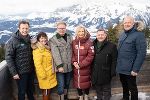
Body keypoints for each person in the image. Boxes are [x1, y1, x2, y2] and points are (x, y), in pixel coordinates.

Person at [116, 16, 147, 100]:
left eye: (129, 22)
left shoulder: (139, 35)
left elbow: (141, 53)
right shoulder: (123, 34)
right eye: (125, 22)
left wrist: (135, 69)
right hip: (121, 67)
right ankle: (125, 98)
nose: (127, 24)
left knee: (132, 88)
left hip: (131, 69)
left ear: (133, 23)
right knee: (124, 86)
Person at [5, 20, 35, 100]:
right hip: (20, 72)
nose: (25, 30)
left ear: (29, 28)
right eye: (23, 28)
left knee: (30, 91)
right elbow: (8, 57)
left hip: (30, 70)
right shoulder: (13, 41)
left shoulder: (30, 39)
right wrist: (14, 73)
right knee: (22, 91)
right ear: (19, 28)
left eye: (26, 28)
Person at [49, 21, 73, 100]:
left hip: (69, 66)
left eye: (63, 28)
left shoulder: (70, 37)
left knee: (67, 83)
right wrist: (59, 66)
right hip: (61, 67)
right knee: (61, 84)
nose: (62, 30)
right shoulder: (53, 40)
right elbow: (55, 54)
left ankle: (65, 97)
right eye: (60, 28)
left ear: (66, 28)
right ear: (57, 29)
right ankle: (61, 98)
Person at [91, 29, 117, 100]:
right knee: (98, 90)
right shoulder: (92, 44)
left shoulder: (112, 46)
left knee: (106, 91)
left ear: (105, 35)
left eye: (102, 34)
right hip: (95, 72)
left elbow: (114, 60)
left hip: (106, 72)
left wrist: (112, 72)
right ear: (96, 36)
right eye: (98, 35)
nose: (100, 36)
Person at [31, 32, 57, 100]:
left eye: (45, 38)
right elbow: (37, 64)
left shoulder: (46, 47)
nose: (44, 40)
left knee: (47, 90)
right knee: (46, 91)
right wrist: (42, 74)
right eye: (41, 39)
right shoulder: (37, 49)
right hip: (44, 74)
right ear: (38, 40)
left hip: (49, 73)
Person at [72, 26, 94, 100]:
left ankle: (86, 95)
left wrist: (81, 64)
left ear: (85, 32)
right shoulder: (74, 42)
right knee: (77, 81)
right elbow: (72, 54)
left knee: (86, 82)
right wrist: (74, 62)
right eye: (79, 31)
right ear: (77, 33)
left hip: (85, 67)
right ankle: (80, 96)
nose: (81, 33)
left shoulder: (89, 42)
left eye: (82, 31)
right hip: (76, 67)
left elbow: (90, 56)